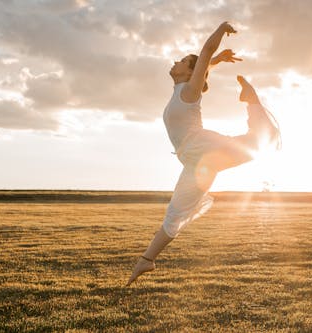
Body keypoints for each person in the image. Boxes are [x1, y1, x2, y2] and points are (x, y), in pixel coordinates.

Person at [126, 22, 281, 286]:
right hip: (191, 161)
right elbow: (205, 64)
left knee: (255, 145)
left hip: (202, 146)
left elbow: (205, 53)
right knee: (175, 213)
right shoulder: (180, 90)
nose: (176, 61)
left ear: (189, 72)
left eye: (183, 61)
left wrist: (220, 31)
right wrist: (217, 61)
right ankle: (147, 260)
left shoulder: (189, 91)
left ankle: (252, 102)